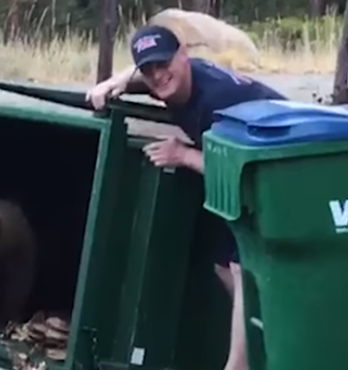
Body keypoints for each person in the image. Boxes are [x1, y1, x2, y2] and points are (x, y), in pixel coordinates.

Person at [85, 24, 287, 370]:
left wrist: (183, 155)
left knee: (242, 268)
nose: (159, 76)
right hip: (253, 169)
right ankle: (269, 341)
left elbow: (243, 166)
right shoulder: (176, 82)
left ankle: (240, 365)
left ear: (184, 56)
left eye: (164, 63)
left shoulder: (216, 102)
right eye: (148, 70)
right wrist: (115, 82)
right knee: (223, 265)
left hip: (283, 163)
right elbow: (153, 76)